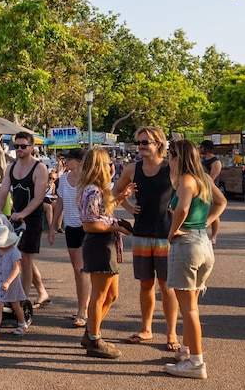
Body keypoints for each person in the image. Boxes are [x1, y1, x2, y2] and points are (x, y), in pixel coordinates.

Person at [164, 140, 227, 379]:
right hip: (202, 243)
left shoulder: (186, 180)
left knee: (187, 307)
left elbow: (182, 208)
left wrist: (173, 230)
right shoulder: (203, 178)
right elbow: (221, 202)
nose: (168, 160)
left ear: (178, 157)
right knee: (192, 304)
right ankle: (187, 350)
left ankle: (196, 362)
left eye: (170, 156)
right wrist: (206, 223)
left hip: (187, 244)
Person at [113, 126, 180, 351]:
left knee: (167, 286)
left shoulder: (171, 167)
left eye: (145, 142)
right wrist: (129, 207)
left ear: (158, 143)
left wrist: (180, 212)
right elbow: (116, 191)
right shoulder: (133, 169)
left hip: (166, 234)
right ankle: (146, 329)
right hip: (141, 233)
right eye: (139, 143)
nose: (141, 146)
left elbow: (189, 192)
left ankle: (171, 333)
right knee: (145, 284)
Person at [78, 148, 136, 358]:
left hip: (107, 243)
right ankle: (94, 338)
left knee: (111, 295)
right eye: (107, 164)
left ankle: (91, 332)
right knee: (100, 294)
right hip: (99, 244)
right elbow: (90, 224)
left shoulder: (98, 190)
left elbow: (103, 213)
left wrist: (121, 197)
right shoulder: (92, 190)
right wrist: (117, 227)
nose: (111, 167)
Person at [0, 132, 50, 307]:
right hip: (17, 217)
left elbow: (39, 197)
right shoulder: (11, 168)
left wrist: (23, 214)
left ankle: (23, 300)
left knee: (25, 259)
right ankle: (42, 292)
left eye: (23, 146)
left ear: (31, 147)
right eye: (16, 146)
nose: (19, 149)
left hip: (32, 218)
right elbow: (3, 192)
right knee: (22, 258)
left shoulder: (39, 168)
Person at [49, 147, 88, 327]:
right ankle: (82, 307)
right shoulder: (64, 179)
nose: (65, 161)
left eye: (69, 159)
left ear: (79, 161)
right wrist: (53, 226)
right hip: (71, 227)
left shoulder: (89, 179)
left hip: (87, 227)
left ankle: (84, 311)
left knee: (81, 269)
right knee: (77, 271)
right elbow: (60, 203)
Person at [0, 223, 28, 340]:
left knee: (16, 306)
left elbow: (17, 269)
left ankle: (22, 324)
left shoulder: (14, 252)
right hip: (0, 281)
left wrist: (8, 282)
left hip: (12, 283)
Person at [198, 140, 223, 244]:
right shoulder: (203, 159)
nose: (200, 149)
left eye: (201, 147)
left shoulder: (215, 162)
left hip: (212, 189)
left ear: (205, 148)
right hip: (202, 188)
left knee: (214, 214)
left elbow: (212, 178)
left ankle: (213, 237)